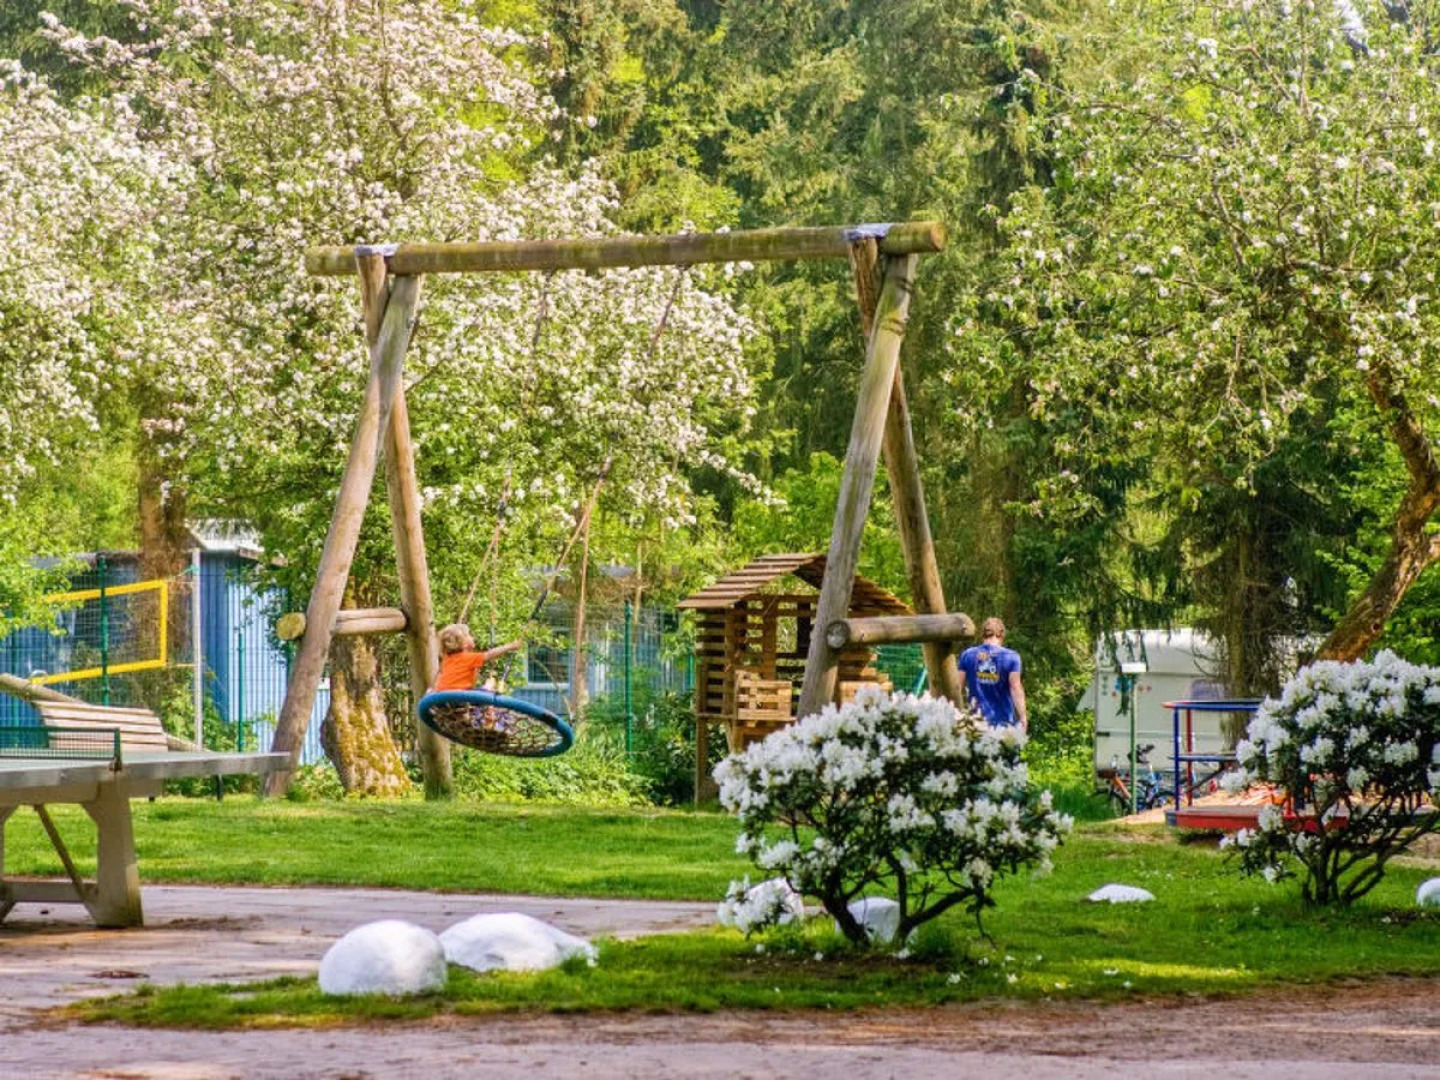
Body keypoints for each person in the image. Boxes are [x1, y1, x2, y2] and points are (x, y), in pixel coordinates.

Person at [958, 617, 1028, 731]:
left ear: (983, 634)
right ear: (1001, 634)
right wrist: (1023, 717)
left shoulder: (967, 654)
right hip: (1003, 724)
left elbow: (957, 687)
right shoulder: (1012, 657)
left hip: (975, 723)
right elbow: (1015, 688)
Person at [433, 623, 523, 692]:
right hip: (459, 696)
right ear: (463, 643)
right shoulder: (470, 658)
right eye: (469, 635)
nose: (473, 637)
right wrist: (511, 646)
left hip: (442, 696)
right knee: (489, 688)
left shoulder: (447, 659)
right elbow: (490, 654)